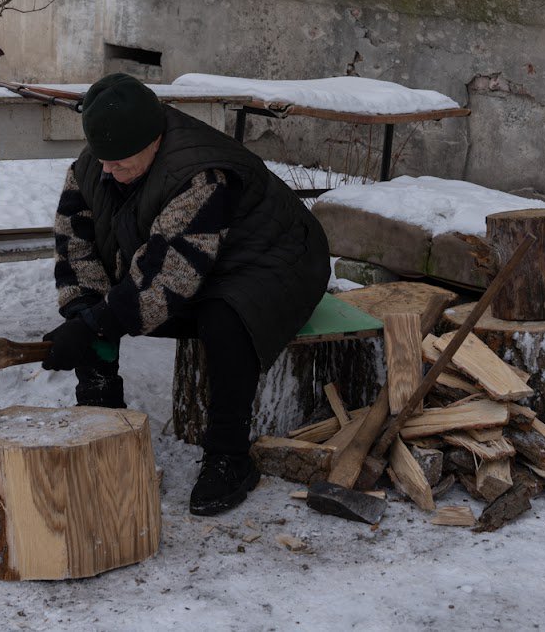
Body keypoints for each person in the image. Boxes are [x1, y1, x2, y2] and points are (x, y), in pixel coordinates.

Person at [43, 72, 330, 516]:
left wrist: (95, 325)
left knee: (228, 317)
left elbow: (167, 279)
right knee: (97, 306)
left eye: (119, 162)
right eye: (102, 160)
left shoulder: (202, 173)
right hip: (196, 256)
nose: (106, 170)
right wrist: (83, 317)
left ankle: (229, 457)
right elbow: (76, 246)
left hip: (276, 259)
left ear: (154, 140)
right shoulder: (98, 164)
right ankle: (104, 422)